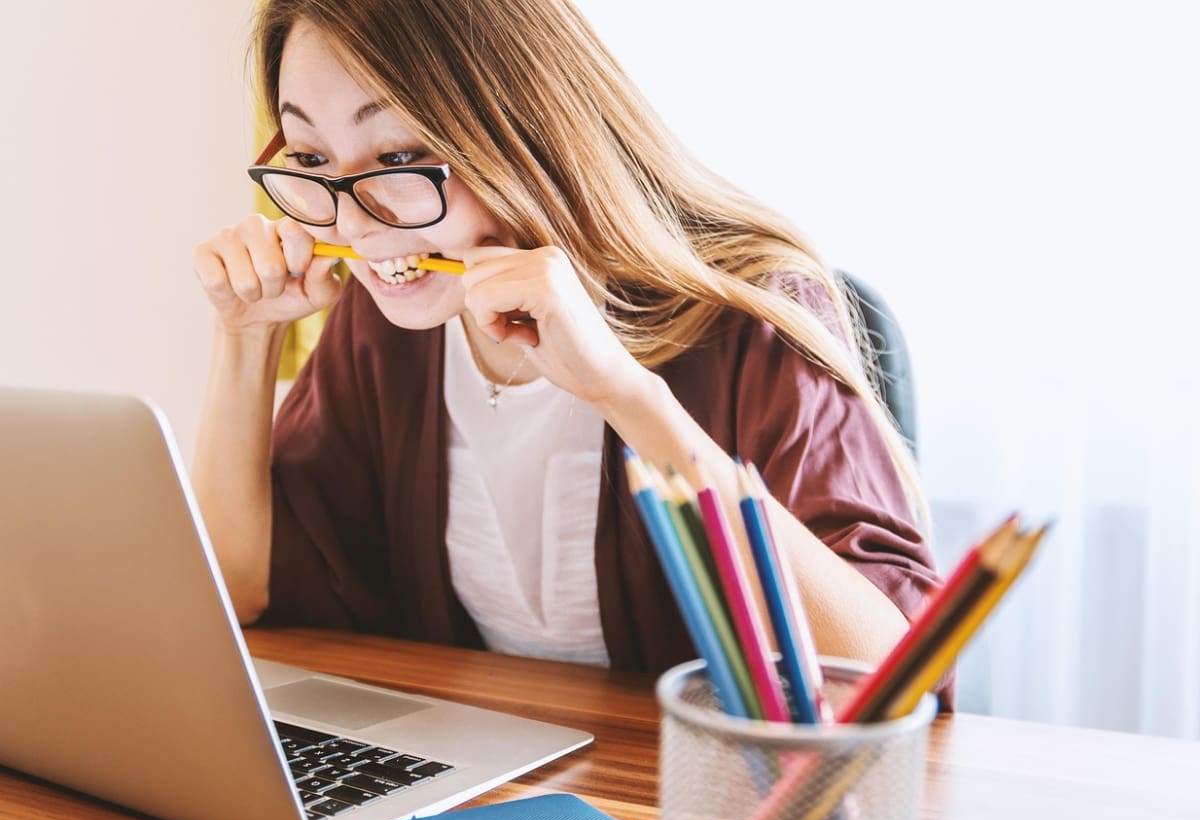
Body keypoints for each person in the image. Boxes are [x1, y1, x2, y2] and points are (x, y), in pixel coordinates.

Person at [192, 0, 943, 685]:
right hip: (488, 779)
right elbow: (236, 588)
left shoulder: (752, 313)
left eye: (397, 158)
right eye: (312, 159)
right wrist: (245, 338)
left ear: (523, 130)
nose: (353, 225)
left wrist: (624, 393)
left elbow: (891, 677)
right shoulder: (389, 323)